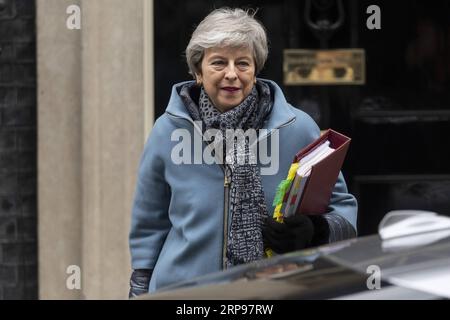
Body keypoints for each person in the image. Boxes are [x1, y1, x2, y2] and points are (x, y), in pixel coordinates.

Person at [129, 7, 357, 298]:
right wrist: (139, 290)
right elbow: (150, 221)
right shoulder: (168, 131)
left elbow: (343, 210)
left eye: (243, 64)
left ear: (255, 69)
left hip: (274, 292)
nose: (232, 74)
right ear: (198, 71)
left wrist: (315, 231)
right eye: (218, 63)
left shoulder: (297, 128)